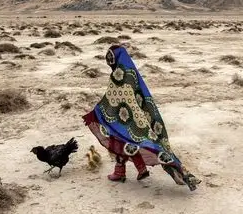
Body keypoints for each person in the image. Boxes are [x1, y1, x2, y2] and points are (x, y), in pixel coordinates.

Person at [82, 45, 201, 191]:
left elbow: (112, 100)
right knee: (130, 143)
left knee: (121, 139)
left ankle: (130, 170)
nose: (110, 62)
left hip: (127, 120)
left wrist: (96, 112)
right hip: (138, 118)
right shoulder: (132, 74)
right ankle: (130, 170)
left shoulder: (119, 75)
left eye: (111, 59)